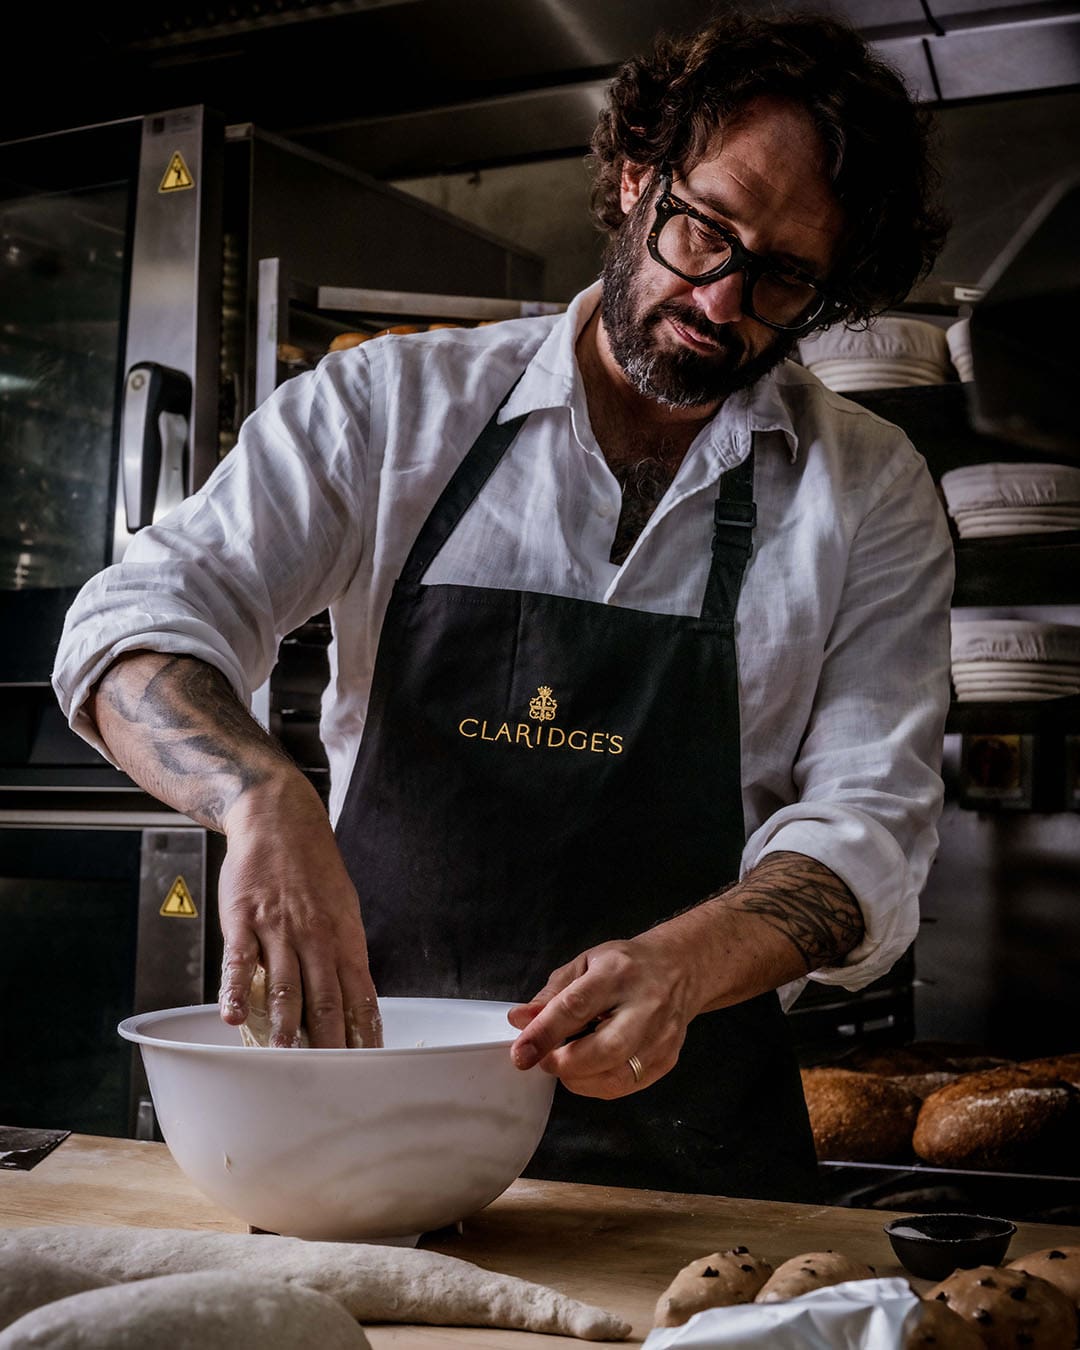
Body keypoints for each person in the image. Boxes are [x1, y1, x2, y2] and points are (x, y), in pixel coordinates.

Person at [54, 9, 953, 1201]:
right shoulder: (387, 408)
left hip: (685, 1150)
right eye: (703, 230)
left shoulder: (867, 484)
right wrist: (259, 796)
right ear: (637, 177)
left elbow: (869, 831)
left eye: (784, 273)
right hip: (364, 1121)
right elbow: (134, 622)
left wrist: (684, 967)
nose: (723, 302)